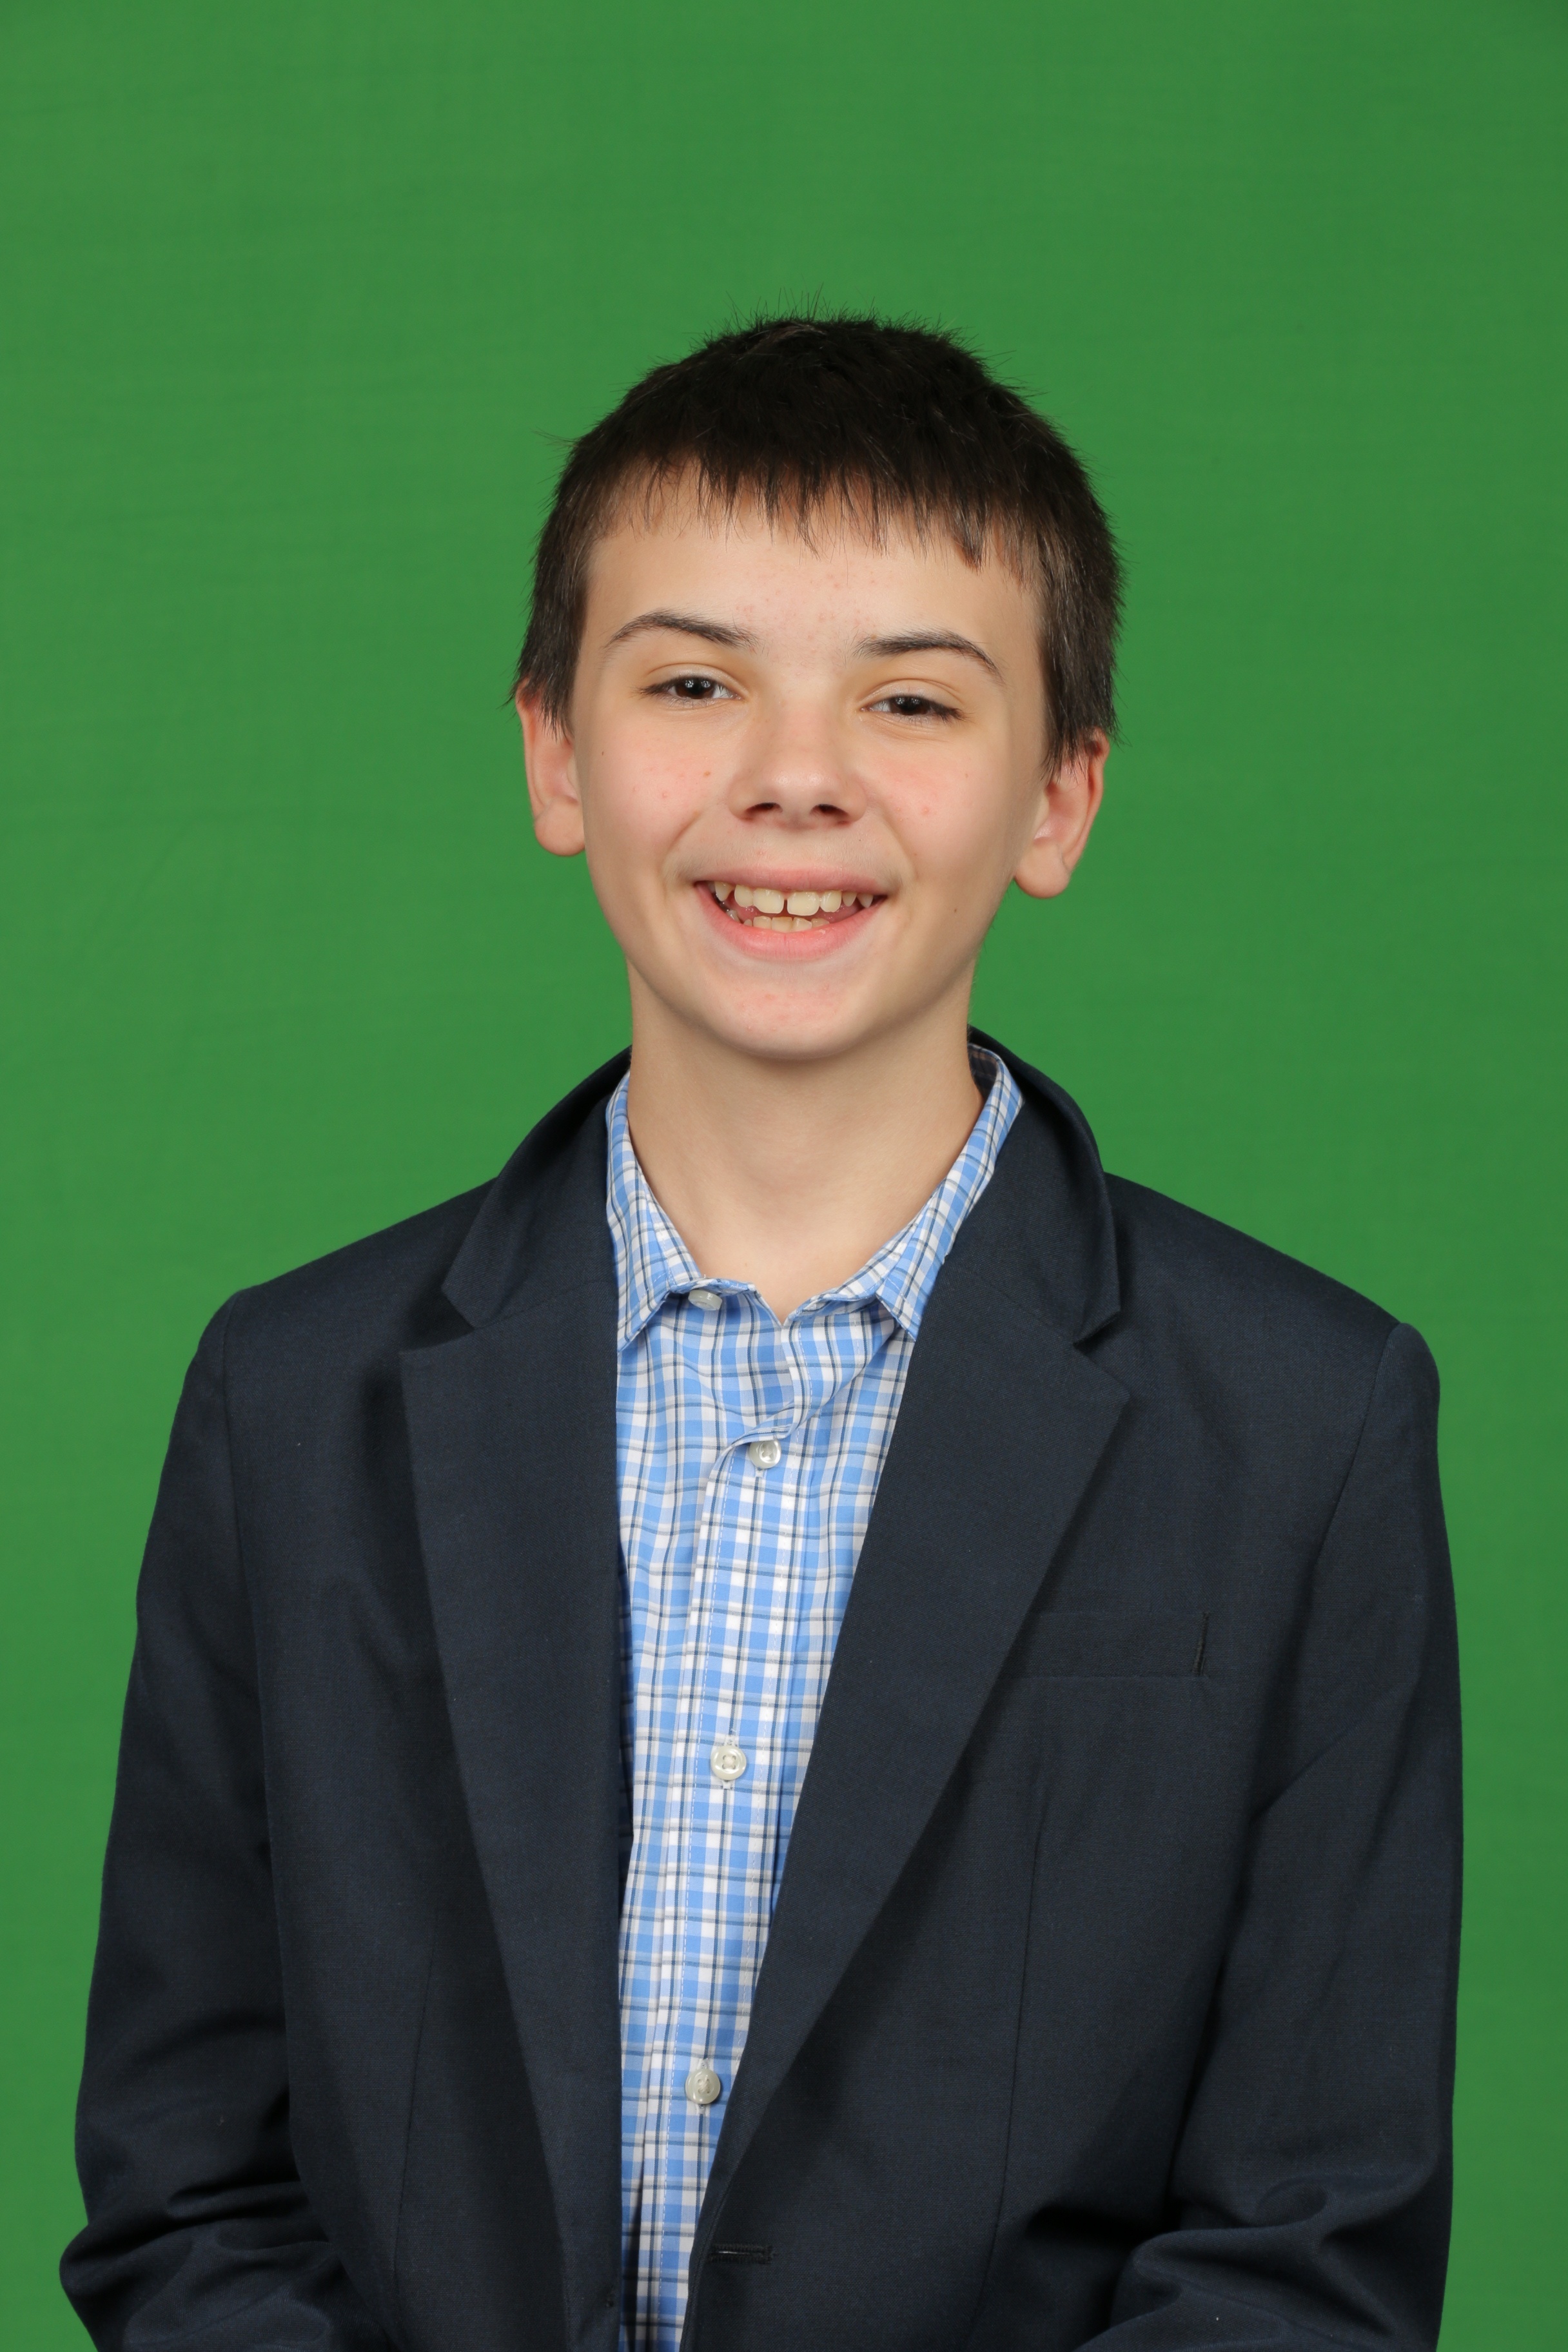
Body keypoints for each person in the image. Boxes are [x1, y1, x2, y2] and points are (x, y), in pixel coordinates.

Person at [63, 315, 1461, 2352]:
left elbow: (1306, 2251)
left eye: (912, 699)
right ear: (555, 750)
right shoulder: (289, 1403)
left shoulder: (1307, 1429)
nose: (795, 779)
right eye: (695, 682)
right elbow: (190, 2192)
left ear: (1061, 796)